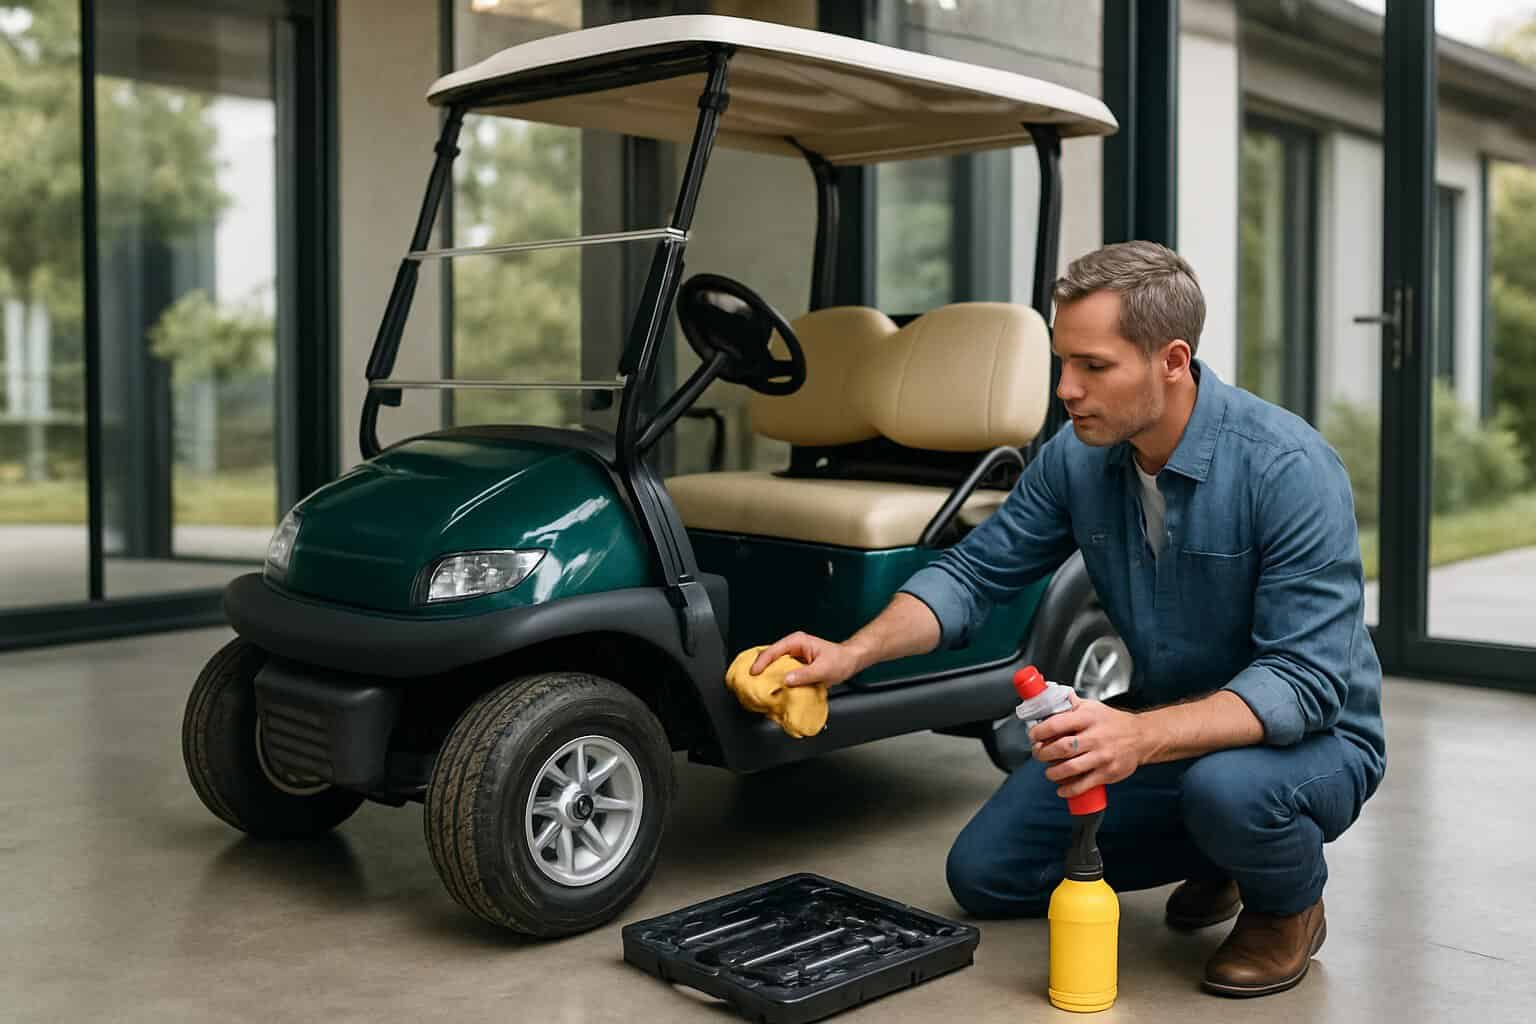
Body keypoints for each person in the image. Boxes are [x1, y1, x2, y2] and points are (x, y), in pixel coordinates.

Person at [746, 240, 1386, 998]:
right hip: (1167, 723)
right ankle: (1219, 855)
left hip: (1312, 742)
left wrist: (1136, 736)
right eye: (1062, 362)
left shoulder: (1289, 469)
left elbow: (1304, 682)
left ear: (1171, 361)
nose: (1065, 389)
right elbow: (973, 573)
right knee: (986, 873)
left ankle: (1287, 905)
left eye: (1093, 366)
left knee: (1231, 793)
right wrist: (850, 655)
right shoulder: (1078, 459)